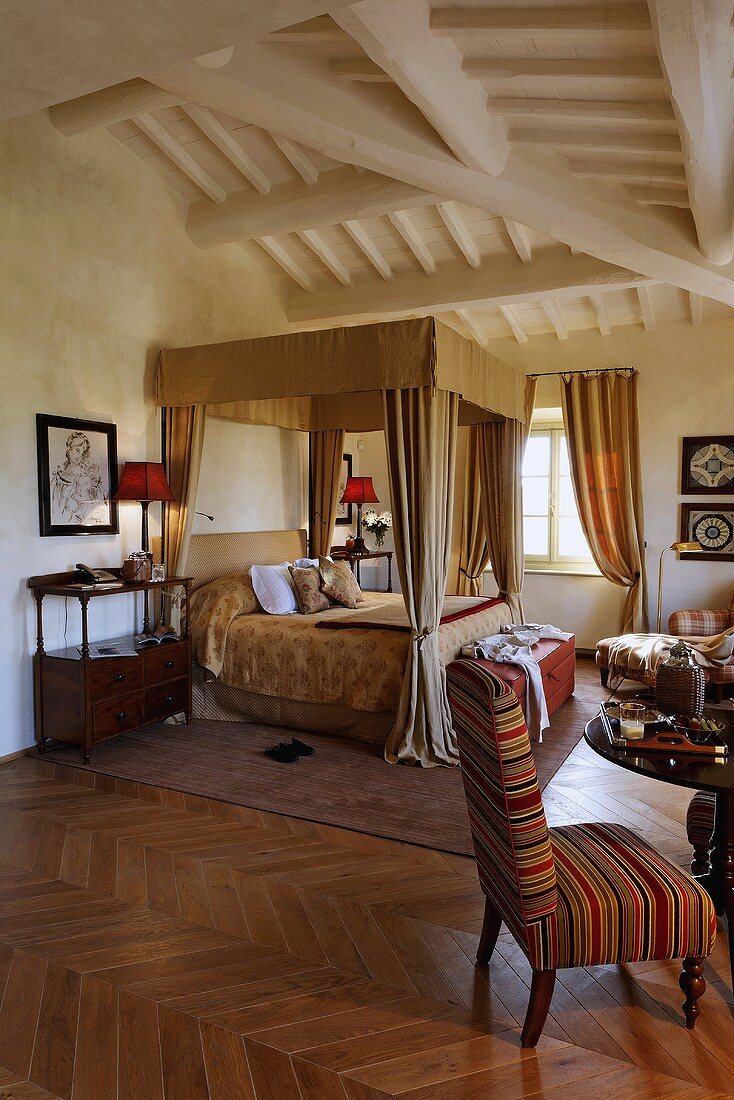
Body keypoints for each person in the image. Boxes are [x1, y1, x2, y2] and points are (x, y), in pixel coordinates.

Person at [51, 430, 107, 524]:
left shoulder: (90, 476)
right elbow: (55, 510)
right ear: (69, 448)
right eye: (77, 450)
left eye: (82, 452)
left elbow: (99, 501)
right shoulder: (59, 478)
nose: (79, 455)